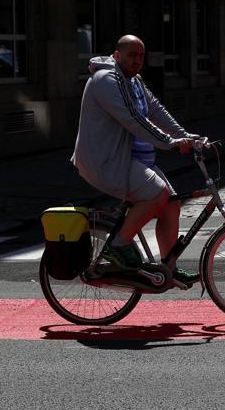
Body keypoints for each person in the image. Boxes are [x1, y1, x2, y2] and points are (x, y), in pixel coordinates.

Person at [71, 34, 199, 285]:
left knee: (171, 204)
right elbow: (131, 118)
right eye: (132, 55)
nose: (138, 61)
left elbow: (156, 110)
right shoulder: (105, 79)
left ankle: (168, 269)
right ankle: (117, 245)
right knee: (157, 192)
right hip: (106, 162)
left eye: (141, 56)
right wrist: (169, 142)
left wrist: (186, 136)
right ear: (117, 55)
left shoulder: (135, 81)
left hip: (131, 160)